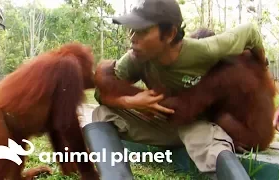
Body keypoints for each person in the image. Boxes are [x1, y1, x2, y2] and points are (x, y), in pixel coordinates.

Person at [82, 0, 266, 179]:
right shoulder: (134, 59)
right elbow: (101, 93)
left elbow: (251, 31)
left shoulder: (206, 50)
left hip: (197, 127)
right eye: (132, 31)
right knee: (102, 113)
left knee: (208, 142)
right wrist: (131, 102)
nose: (133, 39)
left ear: (169, 33)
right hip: (162, 124)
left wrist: (262, 66)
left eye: (143, 31)